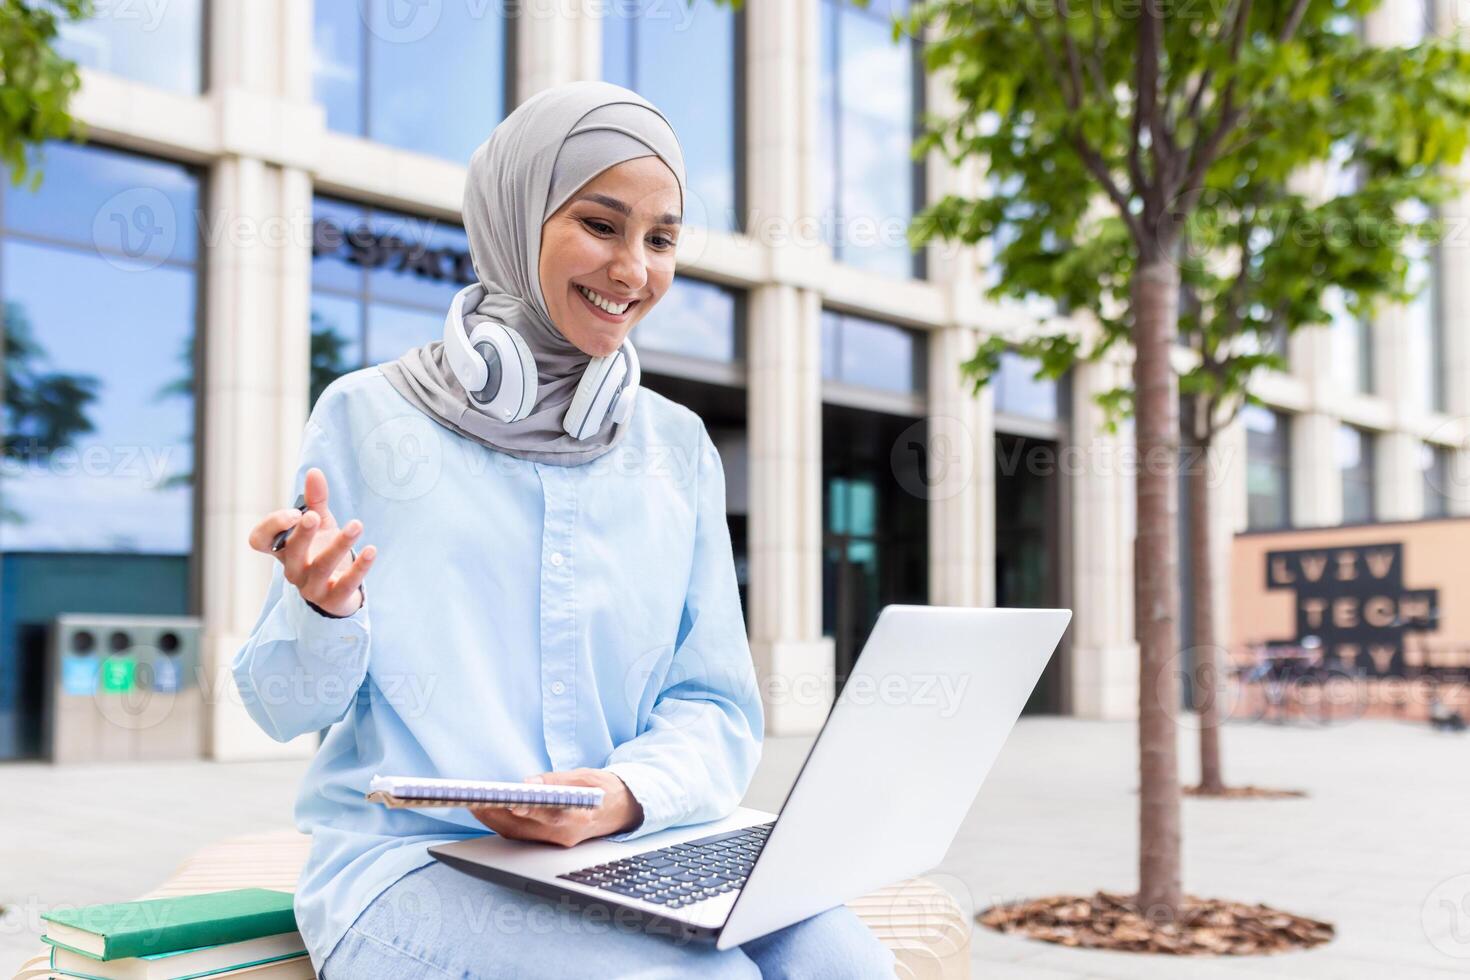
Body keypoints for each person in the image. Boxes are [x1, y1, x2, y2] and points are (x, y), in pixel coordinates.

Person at [231, 81, 896, 978]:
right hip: (412, 862)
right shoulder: (365, 419)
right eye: (601, 224)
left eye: (661, 239)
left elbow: (715, 705)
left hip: (627, 846)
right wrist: (322, 613)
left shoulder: (676, 447)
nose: (634, 270)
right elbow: (283, 708)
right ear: (517, 218)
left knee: (848, 967)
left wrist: (625, 796)